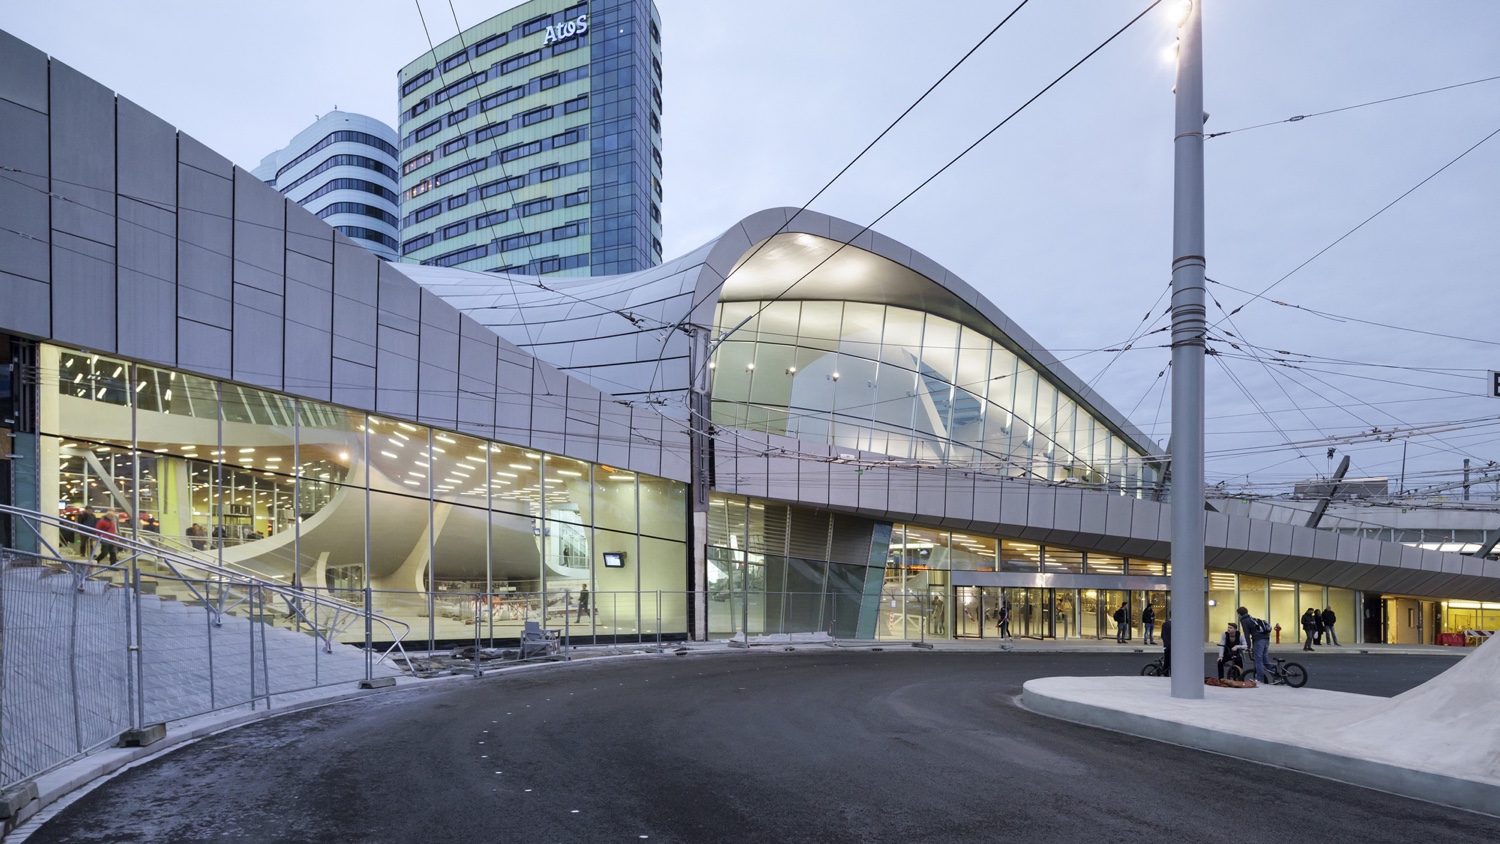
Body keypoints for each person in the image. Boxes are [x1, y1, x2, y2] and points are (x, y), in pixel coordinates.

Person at [1237, 606, 1274, 683]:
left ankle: (1260, 679)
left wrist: (1248, 646)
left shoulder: (1244, 620)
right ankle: (1276, 676)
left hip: (1258, 640)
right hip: (1266, 639)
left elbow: (1246, 634)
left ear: (1239, 614)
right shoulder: (1251, 618)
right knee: (1265, 659)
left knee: (1258, 660)